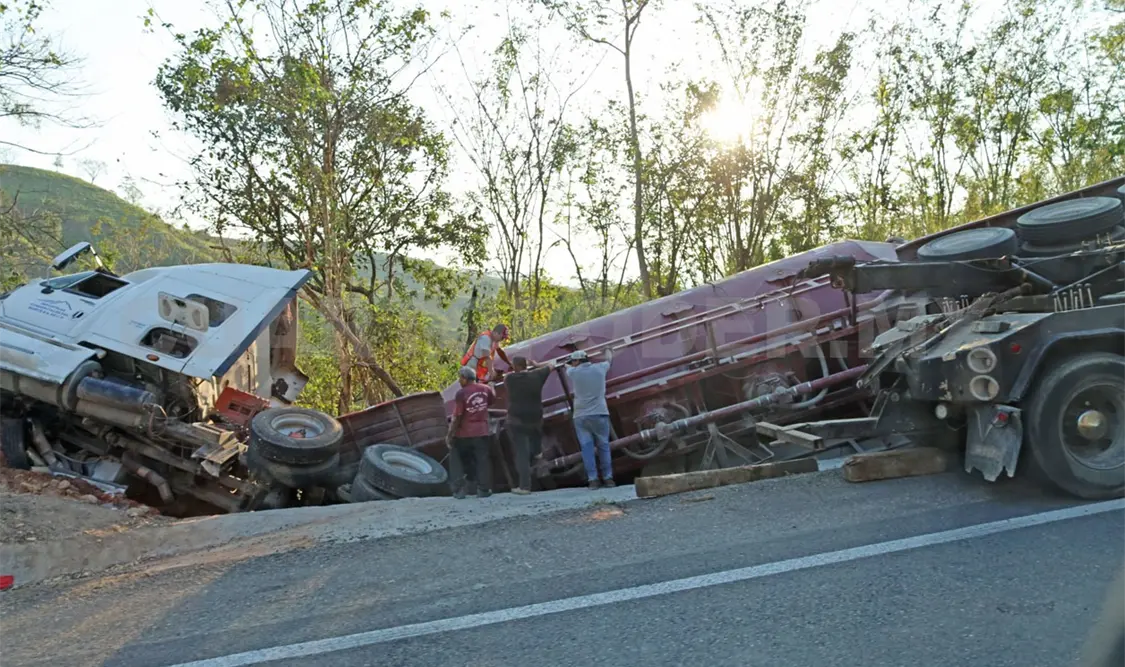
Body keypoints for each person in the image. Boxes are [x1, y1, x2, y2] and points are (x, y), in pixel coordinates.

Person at [564, 348, 615, 489]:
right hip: (600, 413)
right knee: (604, 446)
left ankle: (593, 480)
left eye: (573, 362)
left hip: (581, 416)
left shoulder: (573, 372)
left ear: (576, 361)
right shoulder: (600, 369)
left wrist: (567, 363)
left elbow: (566, 366)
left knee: (587, 449)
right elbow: (609, 360)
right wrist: (608, 350)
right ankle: (608, 478)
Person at [503, 356, 553, 495]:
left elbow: (505, 378)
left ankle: (524, 487)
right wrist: (537, 364)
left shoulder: (510, 379)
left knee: (521, 454)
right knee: (535, 433)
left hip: (517, 420)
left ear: (514, 367)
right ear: (525, 365)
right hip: (535, 417)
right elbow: (551, 364)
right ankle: (538, 452)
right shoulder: (537, 375)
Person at [446, 366, 496, 499]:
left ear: (464, 378)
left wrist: (450, 435)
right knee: (482, 460)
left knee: (457, 460)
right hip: (482, 431)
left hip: (464, 434)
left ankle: (459, 490)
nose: (459, 381)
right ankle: (483, 489)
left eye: (460, 378)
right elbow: (491, 401)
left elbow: (457, 416)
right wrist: (492, 386)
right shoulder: (486, 389)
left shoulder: (461, 393)